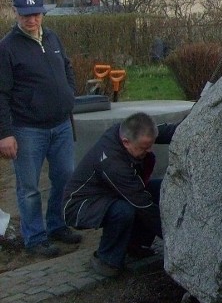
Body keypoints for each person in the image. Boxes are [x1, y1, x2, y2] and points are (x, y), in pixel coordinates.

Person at [0, 0, 81, 257]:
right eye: (26, 15)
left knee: (64, 178)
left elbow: (66, 67)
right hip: (27, 130)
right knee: (29, 188)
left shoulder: (52, 37)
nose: (31, 20)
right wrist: (5, 133)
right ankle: (35, 238)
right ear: (17, 14)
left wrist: (69, 94)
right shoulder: (7, 48)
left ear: (42, 14)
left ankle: (57, 225)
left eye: (36, 14)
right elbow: (1, 94)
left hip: (61, 125)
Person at [62, 112, 179, 277]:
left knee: (161, 188)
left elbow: (166, 131)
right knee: (124, 210)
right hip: (80, 204)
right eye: (144, 148)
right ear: (126, 142)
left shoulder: (131, 131)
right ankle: (106, 259)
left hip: (110, 193)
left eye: (151, 144)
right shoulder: (112, 162)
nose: (149, 150)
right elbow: (143, 205)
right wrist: (174, 239)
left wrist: (192, 126)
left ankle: (135, 245)